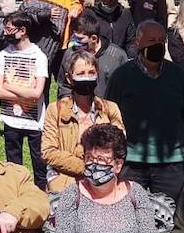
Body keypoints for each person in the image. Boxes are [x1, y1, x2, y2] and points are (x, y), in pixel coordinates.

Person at [106, 20, 184, 201]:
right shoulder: (122, 75)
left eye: (161, 40)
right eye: (151, 40)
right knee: (126, 214)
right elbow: (109, 114)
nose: (157, 45)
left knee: (171, 215)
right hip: (133, 160)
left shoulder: (177, 74)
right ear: (138, 42)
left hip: (170, 160)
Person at [41, 50, 125, 193]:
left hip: (103, 184)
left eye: (91, 73)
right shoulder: (56, 110)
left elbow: (120, 148)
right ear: (69, 78)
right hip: (65, 184)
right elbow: (48, 151)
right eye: (80, 74)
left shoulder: (110, 109)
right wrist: (86, 166)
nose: (86, 78)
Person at [0, 12, 50, 189]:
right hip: (11, 119)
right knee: (13, 165)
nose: (6, 33)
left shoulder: (39, 56)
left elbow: (37, 94)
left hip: (34, 121)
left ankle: (41, 196)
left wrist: (8, 86)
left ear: (22, 30)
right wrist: (25, 94)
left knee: (39, 164)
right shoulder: (3, 55)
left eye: (9, 29)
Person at [56, 12, 128, 99]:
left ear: (94, 38)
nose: (74, 42)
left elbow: (125, 88)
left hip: (107, 109)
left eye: (80, 39)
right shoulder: (70, 54)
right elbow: (63, 86)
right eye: (74, 37)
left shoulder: (116, 56)